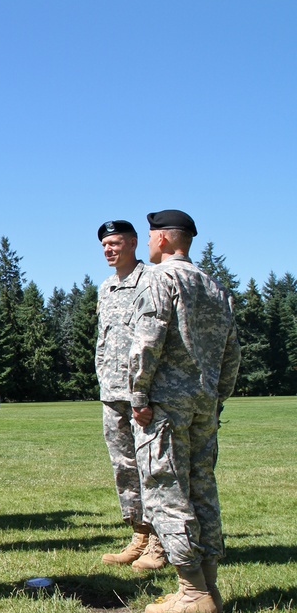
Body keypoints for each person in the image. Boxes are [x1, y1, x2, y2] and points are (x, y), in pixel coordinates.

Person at [129, 210, 240, 613]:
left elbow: (146, 341)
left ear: (162, 240)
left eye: (151, 235)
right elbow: (232, 354)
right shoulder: (215, 286)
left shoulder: (160, 280)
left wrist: (138, 394)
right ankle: (209, 586)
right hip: (203, 404)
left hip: (165, 405)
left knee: (166, 490)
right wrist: (216, 397)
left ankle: (192, 593)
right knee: (202, 488)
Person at [94, 220, 167, 570]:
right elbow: (103, 341)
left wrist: (145, 390)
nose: (110, 249)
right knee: (124, 466)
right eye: (105, 245)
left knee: (151, 466)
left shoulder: (151, 280)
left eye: (116, 243)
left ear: (134, 243)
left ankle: (160, 541)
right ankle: (138, 533)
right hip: (113, 391)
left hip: (145, 393)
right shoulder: (106, 287)